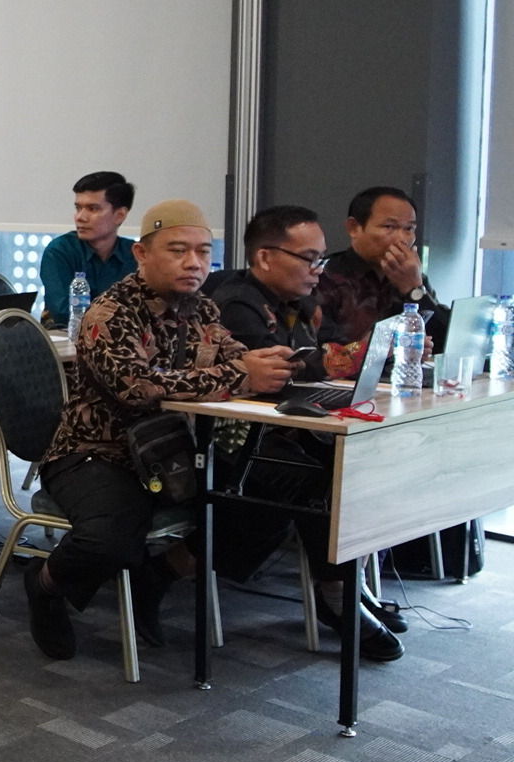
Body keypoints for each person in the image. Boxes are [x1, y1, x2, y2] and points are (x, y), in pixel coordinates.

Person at [23, 200, 296, 661]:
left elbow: (234, 358)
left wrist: (277, 365)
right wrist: (241, 375)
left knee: (265, 502)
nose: (194, 263)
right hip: (95, 452)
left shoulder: (202, 309)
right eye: (178, 250)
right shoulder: (109, 312)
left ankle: (158, 575)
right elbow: (137, 387)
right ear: (142, 254)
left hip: (171, 450)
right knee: (110, 538)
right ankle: (45, 584)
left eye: (204, 252)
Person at [205, 206, 404, 660]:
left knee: (356, 459)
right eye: (309, 259)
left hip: (283, 428)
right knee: (324, 477)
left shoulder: (301, 303)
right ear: (265, 257)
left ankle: (346, 581)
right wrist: (330, 360)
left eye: (321, 259)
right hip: (232, 439)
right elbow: (280, 374)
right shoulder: (237, 304)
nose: (319, 271)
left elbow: (321, 358)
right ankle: (335, 593)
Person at [315, 186, 447, 378]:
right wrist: (390, 350)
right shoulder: (324, 277)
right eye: (389, 227)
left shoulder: (411, 275)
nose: (402, 239)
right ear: (354, 228)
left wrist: (413, 289)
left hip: (398, 382)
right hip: (344, 385)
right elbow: (323, 352)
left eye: (409, 229)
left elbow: (443, 344)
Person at [39, 171, 138, 328]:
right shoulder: (60, 250)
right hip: (68, 336)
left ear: (120, 215)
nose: (80, 217)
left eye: (92, 209)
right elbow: (62, 312)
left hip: (125, 337)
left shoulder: (135, 254)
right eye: (78, 208)